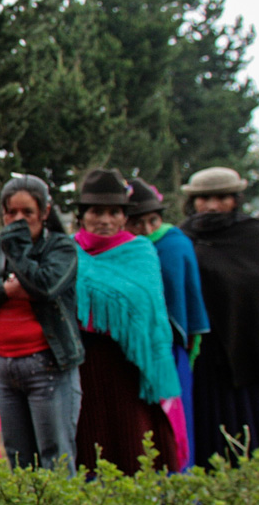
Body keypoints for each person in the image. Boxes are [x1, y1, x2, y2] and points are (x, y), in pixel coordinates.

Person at [71, 169, 181, 475]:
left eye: (113, 212)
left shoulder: (141, 252)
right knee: (89, 448)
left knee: (133, 443)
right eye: (96, 211)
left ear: (124, 217)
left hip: (130, 368)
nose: (105, 220)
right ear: (82, 215)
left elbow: (151, 314)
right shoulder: (65, 252)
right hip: (82, 367)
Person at [0, 175, 84, 475]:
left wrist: (17, 254)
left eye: (27, 212)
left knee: (55, 456)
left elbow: (46, 285)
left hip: (48, 364)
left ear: (45, 213)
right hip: (3, 367)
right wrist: (5, 290)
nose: (18, 220)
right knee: (18, 456)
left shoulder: (61, 248)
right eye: (11, 213)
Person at [179, 166, 259, 464]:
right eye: (203, 198)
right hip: (203, 350)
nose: (212, 206)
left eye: (221, 198)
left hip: (247, 346)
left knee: (253, 418)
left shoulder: (252, 235)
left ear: (236, 199)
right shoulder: (183, 237)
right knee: (206, 418)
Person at [126, 177, 209, 469]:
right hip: (127, 356)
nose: (147, 230)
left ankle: (177, 499)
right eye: (137, 222)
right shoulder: (118, 252)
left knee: (174, 428)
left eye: (153, 220)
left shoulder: (175, 244)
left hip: (170, 353)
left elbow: (189, 298)